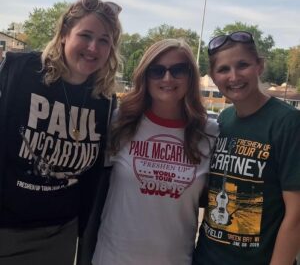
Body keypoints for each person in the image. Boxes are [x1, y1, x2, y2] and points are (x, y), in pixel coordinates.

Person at [0, 0, 122, 265]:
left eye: (104, 40)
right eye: (86, 35)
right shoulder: (20, 72)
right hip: (6, 228)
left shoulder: (103, 98)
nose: (93, 47)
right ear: (65, 34)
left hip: (60, 234)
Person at [92, 38, 218, 265]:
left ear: (191, 76)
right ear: (145, 76)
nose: (167, 78)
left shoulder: (209, 133)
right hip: (113, 257)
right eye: (157, 71)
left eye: (178, 70)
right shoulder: (121, 122)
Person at [193, 31, 300, 265]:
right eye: (223, 69)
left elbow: (296, 216)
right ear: (213, 76)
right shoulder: (222, 120)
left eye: (242, 65)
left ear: (259, 66)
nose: (234, 76)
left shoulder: (288, 122)